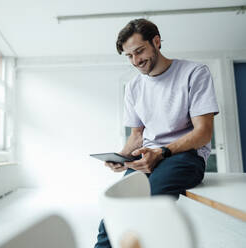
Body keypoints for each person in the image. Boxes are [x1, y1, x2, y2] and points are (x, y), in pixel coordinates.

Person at [94, 18, 219, 248]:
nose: (136, 61)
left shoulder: (194, 72)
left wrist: (162, 152)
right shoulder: (133, 87)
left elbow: (203, 133)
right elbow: (137, 135)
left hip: (185, 157)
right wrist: (121, 157)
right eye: (129, 56)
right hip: (146, 156)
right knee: (113, 214)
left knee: (148, 205)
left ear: (156, 41)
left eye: (139, 51)